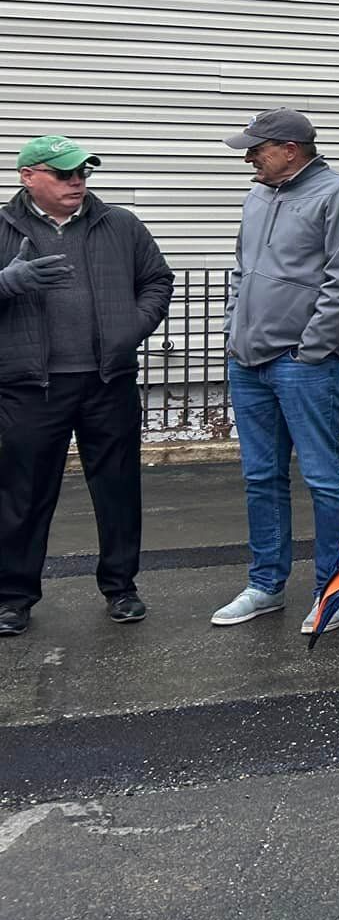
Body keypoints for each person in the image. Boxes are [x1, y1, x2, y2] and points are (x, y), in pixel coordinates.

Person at [0, 135, 174, 636]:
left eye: (83, 173)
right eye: (64, 174)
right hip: (30, 387)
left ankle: (121, 587)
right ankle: (12, 598)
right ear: (28, 176)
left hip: (107, 380)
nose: (77, 182)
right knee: (23, 494)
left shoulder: (119, 223)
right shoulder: (4, 226)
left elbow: (157, 280)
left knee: (117, 489)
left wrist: (131, 329)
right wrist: (9, 282)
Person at [211, 110, 339, 634]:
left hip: (303, 365)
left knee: (324, 479)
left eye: (256, 149)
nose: (248, 158)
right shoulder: (258, 196)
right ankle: (266, 586)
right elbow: (242, 269)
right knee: (260, 477)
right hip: (248, 361)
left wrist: (312, 350)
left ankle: (335, 592)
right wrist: (234, 331)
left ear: (290, 149)